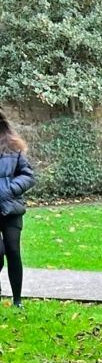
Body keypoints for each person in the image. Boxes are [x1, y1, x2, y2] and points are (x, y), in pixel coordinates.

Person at [0, 111, 36, 309]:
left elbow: (28, 175)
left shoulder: (14, 147)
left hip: (11, 209)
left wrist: (10, 189)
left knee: (13, 251)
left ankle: (17, 300)